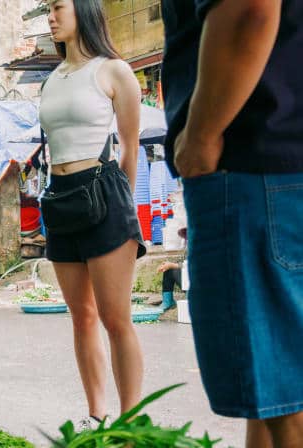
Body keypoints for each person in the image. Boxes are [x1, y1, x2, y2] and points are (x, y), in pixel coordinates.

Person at [162, 1, 303, 446]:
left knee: (287, 397)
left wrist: (199, 137)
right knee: (270, 393)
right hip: (272, 164)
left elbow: (249, 9)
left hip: (253, 165)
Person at [38, 0, 145, 428]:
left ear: (83, 8)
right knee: (81, 317)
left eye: (57, 7)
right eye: (47, 9)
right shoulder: (52, 79)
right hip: (60, 198)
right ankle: (96, 415)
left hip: (105, 194)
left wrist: (125, 208)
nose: (50, 17)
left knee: (115, 318)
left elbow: (130, 146)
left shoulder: (113, 71)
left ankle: (130, 423)